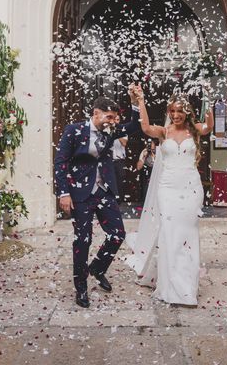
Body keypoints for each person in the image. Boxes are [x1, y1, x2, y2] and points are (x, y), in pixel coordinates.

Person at [53, 88, 141, 308]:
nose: (112, 121)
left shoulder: (111, 131)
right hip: (80, 193)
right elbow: (60, 163)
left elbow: (134, 126)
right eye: (108, 117)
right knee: (83, 240)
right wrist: (63, 193)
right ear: (96, 113)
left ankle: (98, 268)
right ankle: (81, 288)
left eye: (114, 117)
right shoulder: (74, 131)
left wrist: (135, 103)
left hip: (104, 191)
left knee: (117, 234)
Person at [128, 89, 212, 305]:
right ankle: (169, 284)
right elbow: (145, 128)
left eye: (180, 111)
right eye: (173, 111)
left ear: (186, 112)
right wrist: (141, 101)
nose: (176, 115)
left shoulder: (194, 131)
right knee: (169, 232)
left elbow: (209, 127)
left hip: (190, 187)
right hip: (167, 188)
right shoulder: (163, 132)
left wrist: (210, 101)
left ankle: (186, 286)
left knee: (188, 232)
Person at [111, 115, 128, 202]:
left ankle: (119, 202)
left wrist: (117, 132)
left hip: (119, 161)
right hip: (109, 161)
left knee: (120, 182)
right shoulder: (107, 130)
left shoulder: (123, 131)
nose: (116, 121)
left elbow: (124, 143)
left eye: (118, 120)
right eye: (115, 119)